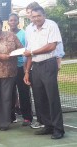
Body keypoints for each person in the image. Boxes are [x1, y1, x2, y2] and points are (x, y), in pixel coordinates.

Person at [23, 6, 65, 139]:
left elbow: (52, 46)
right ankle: (48, 126)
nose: (36, 19)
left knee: (52, 98)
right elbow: (29, 52)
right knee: (40, 98)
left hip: (49, 64)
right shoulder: (30, 29)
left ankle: (58, 129)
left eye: (38, 16)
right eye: (33, 16)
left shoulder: (52, 25)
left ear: (44, 15)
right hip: (36, 66)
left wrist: (33, 52)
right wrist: (27, 72)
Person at [8, 13, 33, 126]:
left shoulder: (24, 34)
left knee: (24, 93)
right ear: (8, 22)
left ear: (18, 22)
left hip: (21, 68)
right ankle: (11, 117)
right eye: (11, 20)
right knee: (9, 94)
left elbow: (27, 50)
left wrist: (26, 68)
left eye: (14, 20)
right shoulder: (6, 35)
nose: (12, 22)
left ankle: (27, 117)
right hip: (8, 69)